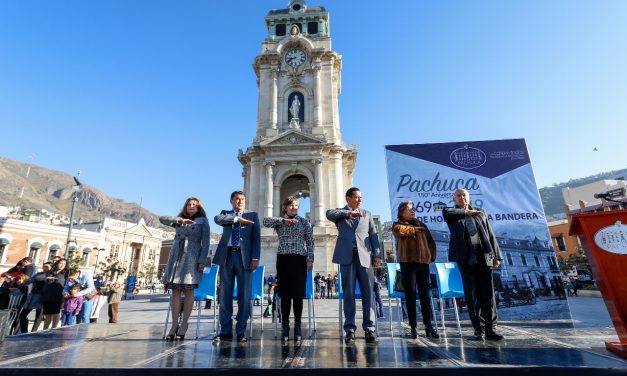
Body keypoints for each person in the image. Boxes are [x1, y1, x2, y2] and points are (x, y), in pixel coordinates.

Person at [442, 188, 504, 341]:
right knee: (472, 294)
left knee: (488, 294)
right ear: (454, 199)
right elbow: (449, 213)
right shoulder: (449, 212)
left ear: (469, 198)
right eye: (458, 195)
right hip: (466, 257)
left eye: (464, 195)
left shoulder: (480, 211)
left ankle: (491, 328)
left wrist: (496, 256)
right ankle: (479, 329)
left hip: (484, 255)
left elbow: (490, 234)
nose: (461, 197)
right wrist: (467, 213)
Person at [326, 187, 381, 344]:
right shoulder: (340, 214)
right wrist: (347, 213)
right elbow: (329, 213)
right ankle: (350, 329)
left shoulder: (367, 214)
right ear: (348, 198)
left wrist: (376, 254)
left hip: (365, 257)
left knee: (368, 293)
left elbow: (373, 235)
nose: (360, 200)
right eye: (356, 197)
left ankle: (369, 328)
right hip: (346, 257)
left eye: (361, 198)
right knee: (348, 294)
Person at [263, 196, 314, 344]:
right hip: (283, 258)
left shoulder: (304, 222)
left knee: (298, 294)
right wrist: (283, 221)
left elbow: (310, 241)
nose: (294, 208)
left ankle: (297, 326)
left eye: (296, 205)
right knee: (285, 294)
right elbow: (265, 221)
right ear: (285, 207)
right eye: (291, 205)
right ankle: (285, 325)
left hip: (299, 258)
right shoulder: (280, 222)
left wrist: (310, 258)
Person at [213, 190, 261, 343]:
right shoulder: (225, 214)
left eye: (243, 199)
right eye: (237, 199)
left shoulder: (252, 215)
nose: (240, 202)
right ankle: (225, 330)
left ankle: (241, 330)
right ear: (232, 201)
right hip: (227, 256)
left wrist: (255, 257)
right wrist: (236, 219)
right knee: (225, 295)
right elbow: (218, 219)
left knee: (245, 296)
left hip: (244, 258)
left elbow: (256, 238)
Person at [162, 197, 211, 341]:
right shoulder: (178, 219)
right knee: (175, 291)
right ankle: (174, 324)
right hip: (175, 256)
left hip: (192, 256)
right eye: (189, 204)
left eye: (194, 205)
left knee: (189, 290)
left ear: (199, 208)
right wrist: (181, 221)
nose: (191, 206)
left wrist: (202, 260)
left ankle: (184, 324)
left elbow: (206, 242)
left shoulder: (203, 221)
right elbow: (162, 219)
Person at [392, 201, 439, 339]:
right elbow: (399, 231)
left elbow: (431, 241)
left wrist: (431, 256)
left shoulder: (421, 225)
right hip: (408, 264)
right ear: (402, 212)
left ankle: (428, 326)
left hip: (423, 263)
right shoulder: (397, 225)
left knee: (425, 296)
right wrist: (413, 230)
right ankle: (413, 327)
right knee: (410, 295)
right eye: (409, 209)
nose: (413, 212)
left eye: (413, 210)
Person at [19, 261, 53, 333]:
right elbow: (27, 281)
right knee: (22, 315)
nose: (44, 268)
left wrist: (35, 278)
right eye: (44, 266)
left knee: (39, 316)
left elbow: (36, 278)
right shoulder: (39, 273)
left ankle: (33, 332)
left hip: (43, 297)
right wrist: (35, 278)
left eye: (47, 267)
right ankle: (24, 332)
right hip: (33, 295)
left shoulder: (51, 275)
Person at [42, 258, 67, 330]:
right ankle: (45, 330)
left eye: (64, 264)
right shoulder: (50, 272)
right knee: (48, 314)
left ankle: (54, 329)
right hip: (48, 296)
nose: (62, 265)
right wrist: (47, 277)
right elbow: (39, 278)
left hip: (58, 296)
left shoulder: (65, 274)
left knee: (56, 314)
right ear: (57, 263)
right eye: (61, 263)